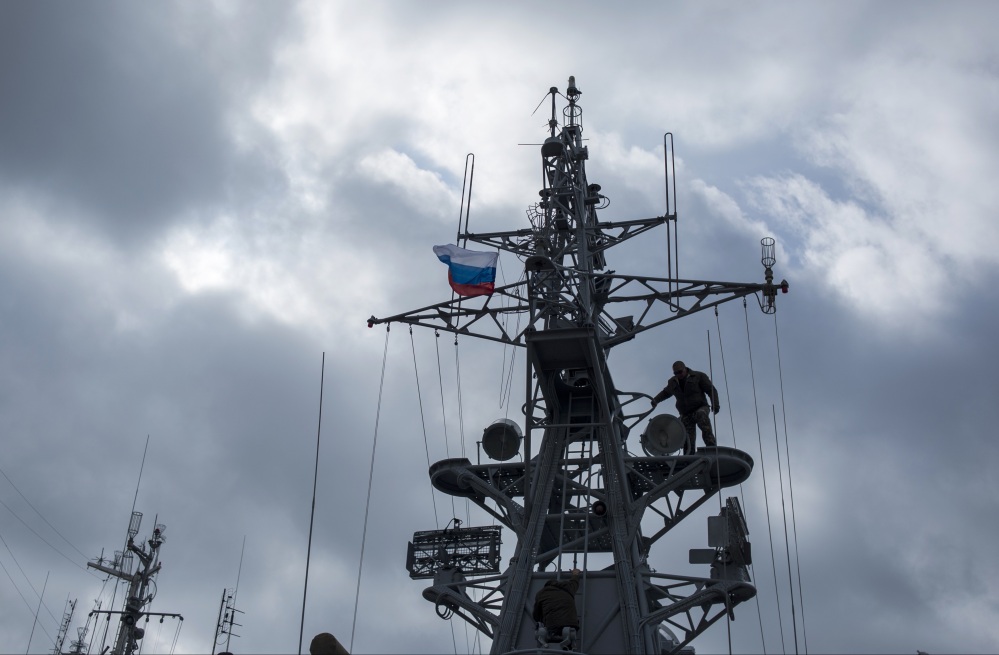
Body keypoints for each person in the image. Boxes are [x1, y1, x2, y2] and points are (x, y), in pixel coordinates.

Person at [651, 360, 720, 453]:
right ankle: (688, 457)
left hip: (700, 407)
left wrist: (715, 404)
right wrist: (656, 400)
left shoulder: (698, 376)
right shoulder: (673, 382)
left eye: (680, 372)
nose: (679, 374)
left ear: (685, 369)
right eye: (676, 373)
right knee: (687, 437)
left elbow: (711, 390)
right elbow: (666, 393)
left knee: (702, 417)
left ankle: (711, 447)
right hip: (686, 413)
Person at [533, 568, 581, 647]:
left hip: (552, 627)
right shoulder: (568, 588)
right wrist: (575, 574)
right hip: (571, 626)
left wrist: (543, 619)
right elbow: (574, 582)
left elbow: (536, 615)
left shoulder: (541, 593)